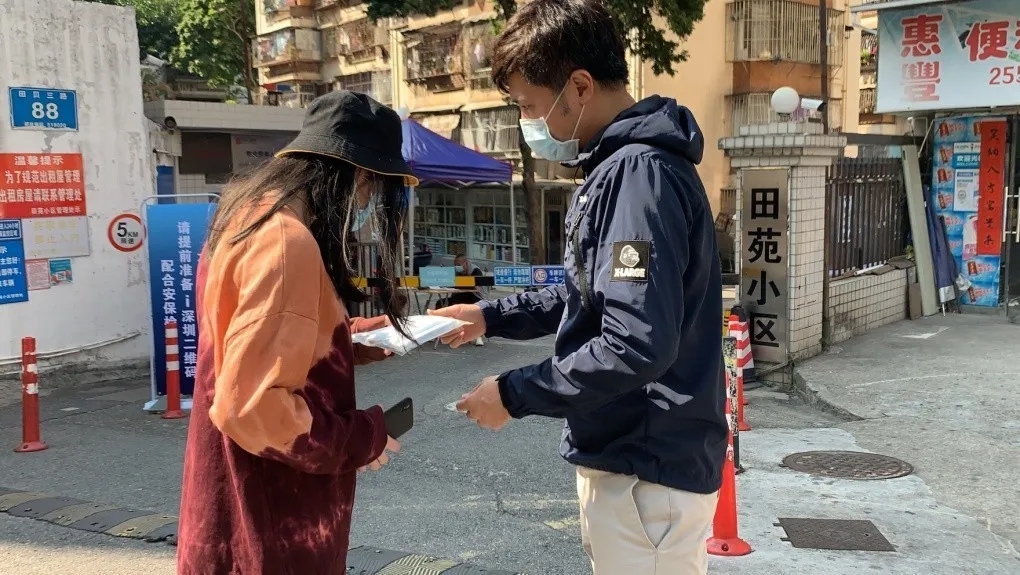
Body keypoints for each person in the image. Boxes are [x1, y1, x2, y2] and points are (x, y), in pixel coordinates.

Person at [429, 1, 727, 572]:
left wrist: (513, 394)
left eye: (529, 106)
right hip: (635, 464)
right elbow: (586, 292)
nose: (528, 123)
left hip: (646, 469)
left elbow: (635, 342)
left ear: (580, 87)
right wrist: (488, 317)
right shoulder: (618, 169)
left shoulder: (639, 175)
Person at [177, 91, 416, 574]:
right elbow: (252, 407)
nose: (366, 204)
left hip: (227, 506)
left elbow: (254, 343)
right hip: (273, 522)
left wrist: (361, 337)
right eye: (372, 189)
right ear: (358, 175)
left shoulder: (245, 219)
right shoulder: (288, 243)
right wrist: (362, 437)